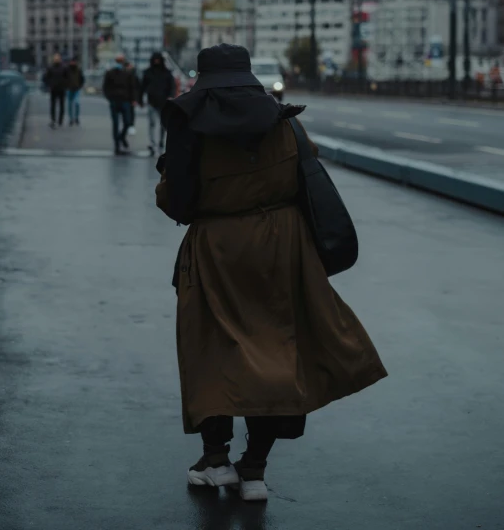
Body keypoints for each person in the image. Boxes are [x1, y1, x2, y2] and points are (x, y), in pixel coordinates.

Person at [155, 44, 387, 502]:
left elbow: (174, 202)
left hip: (218, 251)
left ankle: (215, 460)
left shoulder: (191, 128)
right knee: (278, 351)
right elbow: (308, 176)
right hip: (284, 247)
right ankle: (255, 468)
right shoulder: (287, 123)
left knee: (213, 350)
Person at [139, 52, 176, 155]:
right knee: (152, 123)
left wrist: (171, 96)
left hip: (163, 101)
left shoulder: (167, 73)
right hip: (152, 101)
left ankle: (160, 142)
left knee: (162, 124)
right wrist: (140, 99)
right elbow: (142, 87)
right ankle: (152, 143)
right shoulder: (148, 72)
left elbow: (172, 86)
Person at [102, 54, 137, 155]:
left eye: (120, 61)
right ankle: (117, 145)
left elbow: (132, 87)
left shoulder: (127, 74)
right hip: (114, 100)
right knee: (116, 123)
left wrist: (133, 99)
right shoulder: (110, 73)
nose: (119, 63)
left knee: (127, 121)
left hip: (125, 100)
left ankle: (121, 137)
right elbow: (105, 87)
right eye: (118, 61)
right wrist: (109, 97)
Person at [43, 53, 68, 128]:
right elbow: (46, 77)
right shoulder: (50, 68)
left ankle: (60, 120)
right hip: (53, 88)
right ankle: (53, 120)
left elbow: (67, 77)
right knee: (53, 105)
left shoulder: (64, 67)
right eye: (55, 58)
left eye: (58, 58)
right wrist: (49, 84)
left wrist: (65, 85)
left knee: (61, 105)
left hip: (61, 89)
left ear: (60, 59)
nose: (56, 59)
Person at [66, 57, 85, 126]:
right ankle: (71, 118)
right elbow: (64, 79)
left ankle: (76, 117)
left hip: (76, 89)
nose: (73, 63)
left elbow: (82, 79)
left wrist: (80, 86)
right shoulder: (67, 70)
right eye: (72, 62)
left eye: (74, 62)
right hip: (69, 89)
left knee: (77, 103)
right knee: (70, 104)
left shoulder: (78, 70)